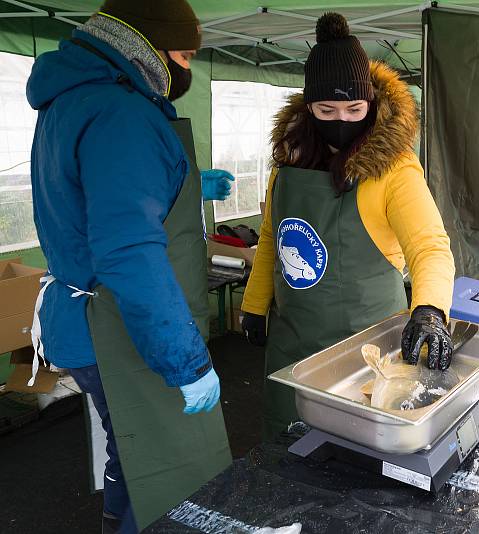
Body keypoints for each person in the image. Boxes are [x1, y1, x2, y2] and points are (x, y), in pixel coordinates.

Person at [27, 1, 230, 532]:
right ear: (146, 46)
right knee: (166, 467)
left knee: (125, 446)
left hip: (74, 316)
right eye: (184, 56)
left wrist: (181, 184)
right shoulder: (123, 112)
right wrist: (185, 363)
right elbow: (128, 250)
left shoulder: (70, 99)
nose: (186, 71)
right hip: (118, 328)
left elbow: (85, 197)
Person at [240, 13, 456, 438]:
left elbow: (429, 245)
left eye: (355, 109)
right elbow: (273, 239)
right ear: (308, 107)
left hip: (365, 351)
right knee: (289, 446)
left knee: (354, 454)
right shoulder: (290, 159)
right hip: (295, 346)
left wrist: (430, 309)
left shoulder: (394, 168)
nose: (342, 120)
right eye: (327, 109)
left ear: (371, 104)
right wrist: (253, 304)